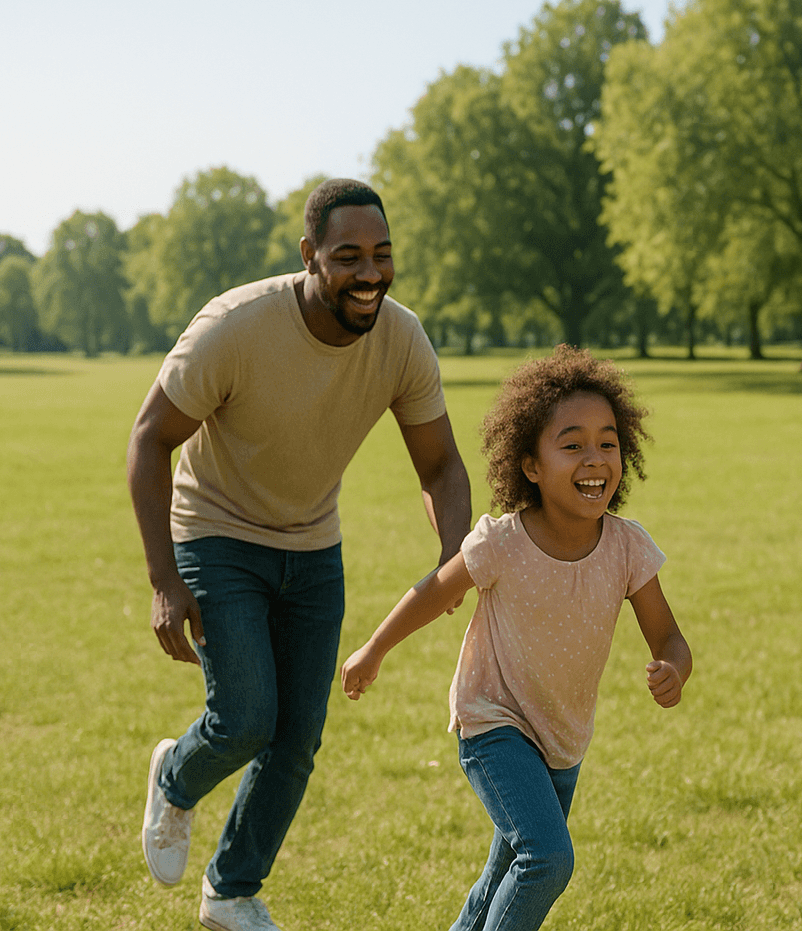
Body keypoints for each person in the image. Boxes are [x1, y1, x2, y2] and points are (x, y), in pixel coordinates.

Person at [127, 178, 471, 931]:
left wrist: (455, 556)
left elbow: (440, 466)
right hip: (217, 533)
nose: (370, 273)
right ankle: (176, 778)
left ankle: (232, 891)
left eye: (382, 255)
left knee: (297, 738)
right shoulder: (238, 326)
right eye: (349, 257)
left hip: (313, 545)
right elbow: (149, 439)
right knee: (247, 716)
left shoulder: (401, 338)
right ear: (310, 255)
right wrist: (162, 581)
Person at [340, 345, 692, 931]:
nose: (595, 458)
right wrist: (374, 648)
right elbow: (434, 591)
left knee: (507, 866)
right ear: (530, 465)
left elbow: (669, 637)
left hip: (564, 738)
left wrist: (673, 669)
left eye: (608, 442)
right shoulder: (501, 542)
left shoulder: (628, 548)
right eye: (572, 444)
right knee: (547, 859)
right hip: (494, 723)